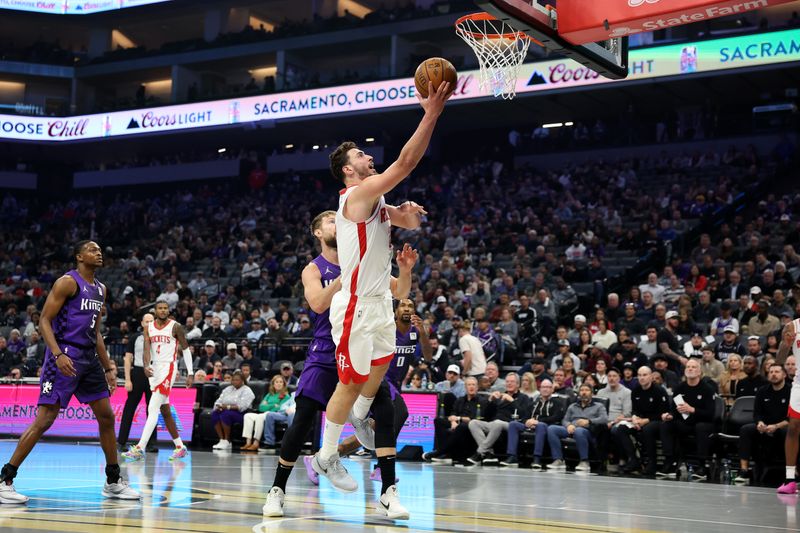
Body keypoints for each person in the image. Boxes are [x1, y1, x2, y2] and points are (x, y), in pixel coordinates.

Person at [313, 82, 450, 520]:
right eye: (360, 156)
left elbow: (407, 219)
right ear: (348, 172)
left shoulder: (375, 198)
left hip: (378, 304)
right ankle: (327, 454)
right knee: (350, 383)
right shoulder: (357, 194)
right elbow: (407, 162)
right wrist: (432, 111)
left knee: (377, 372)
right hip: (354, 304)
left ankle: (360, 416)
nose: (368, 157)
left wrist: (409, 214)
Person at [263, 210, 416, 517]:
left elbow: (399, 291)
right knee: (303, 418)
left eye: (338, 218)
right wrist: (346, 277)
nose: (337, 222)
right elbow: (318, 302)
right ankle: (277, 490)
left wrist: (405, 269)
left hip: (362, 345)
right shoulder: (313, 269)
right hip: (325, 353)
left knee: (387, 411)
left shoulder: (364, 260)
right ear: (317, 232)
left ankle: (388, 493)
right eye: (330, 220)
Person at [0, 241, 140, 504]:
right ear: (79, 256)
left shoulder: (101, 289)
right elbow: (44, 320)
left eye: (100, 249)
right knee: (45, 419)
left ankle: (113, 482)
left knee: (107, 417)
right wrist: (58, 354)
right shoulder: (67, 282)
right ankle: (5, 479)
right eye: (92, 249)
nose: (99, 252)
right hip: (64, 355)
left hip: (88, 358)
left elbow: (95, 332)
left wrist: (109, 367)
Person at [122, 299, 194, 462]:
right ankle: (180, 447)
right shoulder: (149, 328)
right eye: (160, 308)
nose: (163, 310)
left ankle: (140, 448)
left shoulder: (175, 326)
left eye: (165, 308)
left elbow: (186, 349)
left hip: (168, 367)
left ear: (168, 311)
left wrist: (190, 372)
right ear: (155, 310)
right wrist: (146, 365)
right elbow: (147, 349)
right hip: (155, 369)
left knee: (153, 407)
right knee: (165, 410)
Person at [657, 359, 716, 480]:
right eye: (688, 367)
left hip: (703, 422)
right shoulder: (679, 388)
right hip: (684, 422)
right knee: (666, 425)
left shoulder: (707, 389)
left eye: (694, 367)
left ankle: (702, 466)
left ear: (699, 372)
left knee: (701, 427)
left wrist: (692, 409)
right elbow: (674, 410)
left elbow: (710, 414)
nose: (690, 369)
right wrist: (669, 415)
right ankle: (670, 462)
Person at [736, 363, 790, 484]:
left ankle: (793, 471)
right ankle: (744, 471)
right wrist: (760, 423)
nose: (773, 375)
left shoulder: (791, 391)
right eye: (771, 372)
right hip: (765, 426)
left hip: (783, 426)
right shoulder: (762, 391)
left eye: (777, 372)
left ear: (784, 375)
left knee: (787, 432)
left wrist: (776, 426)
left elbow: (792, 418)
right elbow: (757, 413)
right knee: (746, 429)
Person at [612, 366, 668, 475]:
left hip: (657, 421)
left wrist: (645, 421)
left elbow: (663, 413)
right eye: (639, 375)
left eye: (645, 375)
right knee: (621, 428)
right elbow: (635, 410)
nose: (642, 378)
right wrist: (634, 418)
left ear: (651, 377)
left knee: (648, 429)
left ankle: (652, 463)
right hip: (640, 420)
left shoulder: (659, 391)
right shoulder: (636, 391)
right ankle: (633, 459)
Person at [468, 373, 532, 465]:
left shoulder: (524, 398)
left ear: (518, 384)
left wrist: (512, 401)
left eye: (512, 382)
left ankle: (479, 452)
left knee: (498, 423)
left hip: (510, 424)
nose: (509, 384)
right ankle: (489, 454)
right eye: (507, 382)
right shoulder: (500, 396)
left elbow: (524, 415)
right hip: (494, 424)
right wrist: (490, 400)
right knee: (473, 423)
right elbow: (485, 415)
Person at [117, 313, 159, 453]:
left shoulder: (159, 338)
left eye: (151, 321)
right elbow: (128, 359)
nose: (149, 323)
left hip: (153, 374)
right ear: (142, 323)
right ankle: (121, 441)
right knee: (129, 409)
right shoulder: (135, 338)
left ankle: (151, 443)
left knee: (152, 409)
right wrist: (128, 379)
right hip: (138, 373)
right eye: (146, 321)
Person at [502, 379, 566, 468]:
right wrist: (527, 421)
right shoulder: (534, 403)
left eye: (548, 387)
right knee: (513, 424)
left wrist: (538, 421)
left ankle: (537, 458)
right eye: (543, 387)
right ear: (540, 389)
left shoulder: (557, 402)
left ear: (552, 389)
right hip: (531, 425)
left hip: (546, 426)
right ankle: (512, 456)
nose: (545, 389)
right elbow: (524, 417)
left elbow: (557, 417)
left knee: (540, 425)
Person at [423, 377, 486, 464]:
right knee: (438, 421)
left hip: (470, 426)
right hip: (457, 423)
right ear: (465, 387)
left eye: (473, 385)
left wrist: (458, 419)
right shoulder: (460, 400)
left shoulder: (482, 401)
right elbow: (453, 413)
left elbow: (476, 419)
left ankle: (440, 452)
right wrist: (453, 422)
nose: (471, 387)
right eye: (469, 385)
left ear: (477, 387)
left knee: (462, 426)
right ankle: (446, 454)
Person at [546, 383, 608, 472]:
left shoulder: (599, 406)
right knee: (552, 429)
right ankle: (558, 459)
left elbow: (604, 419)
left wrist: (588, 421)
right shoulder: (572, 406)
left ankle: (584, 461)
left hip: (589, 431)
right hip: (572, 428)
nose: (584, 392)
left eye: (586, 390)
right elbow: (565, 420)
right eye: (582, 390)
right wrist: (568, 425)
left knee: (579, 431)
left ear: (592, 393)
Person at [776, 316, 800, 494]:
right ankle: (790, 479)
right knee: (793, 428)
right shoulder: (792, 326)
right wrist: (785, 344)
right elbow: (779, 359)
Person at [242, 375, 295, 451]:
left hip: (274, 414)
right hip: (264, 412)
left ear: (284, 384)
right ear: (273, 384)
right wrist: (273, 405)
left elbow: (280, 409)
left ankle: (256, 443)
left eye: (281, 382)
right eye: (277, 382)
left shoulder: (285, 396)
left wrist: (268, 405)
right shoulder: (269, 394)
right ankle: (248, 442)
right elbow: (261, 407)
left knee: (261, 417)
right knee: (247, 415)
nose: (279, 384)